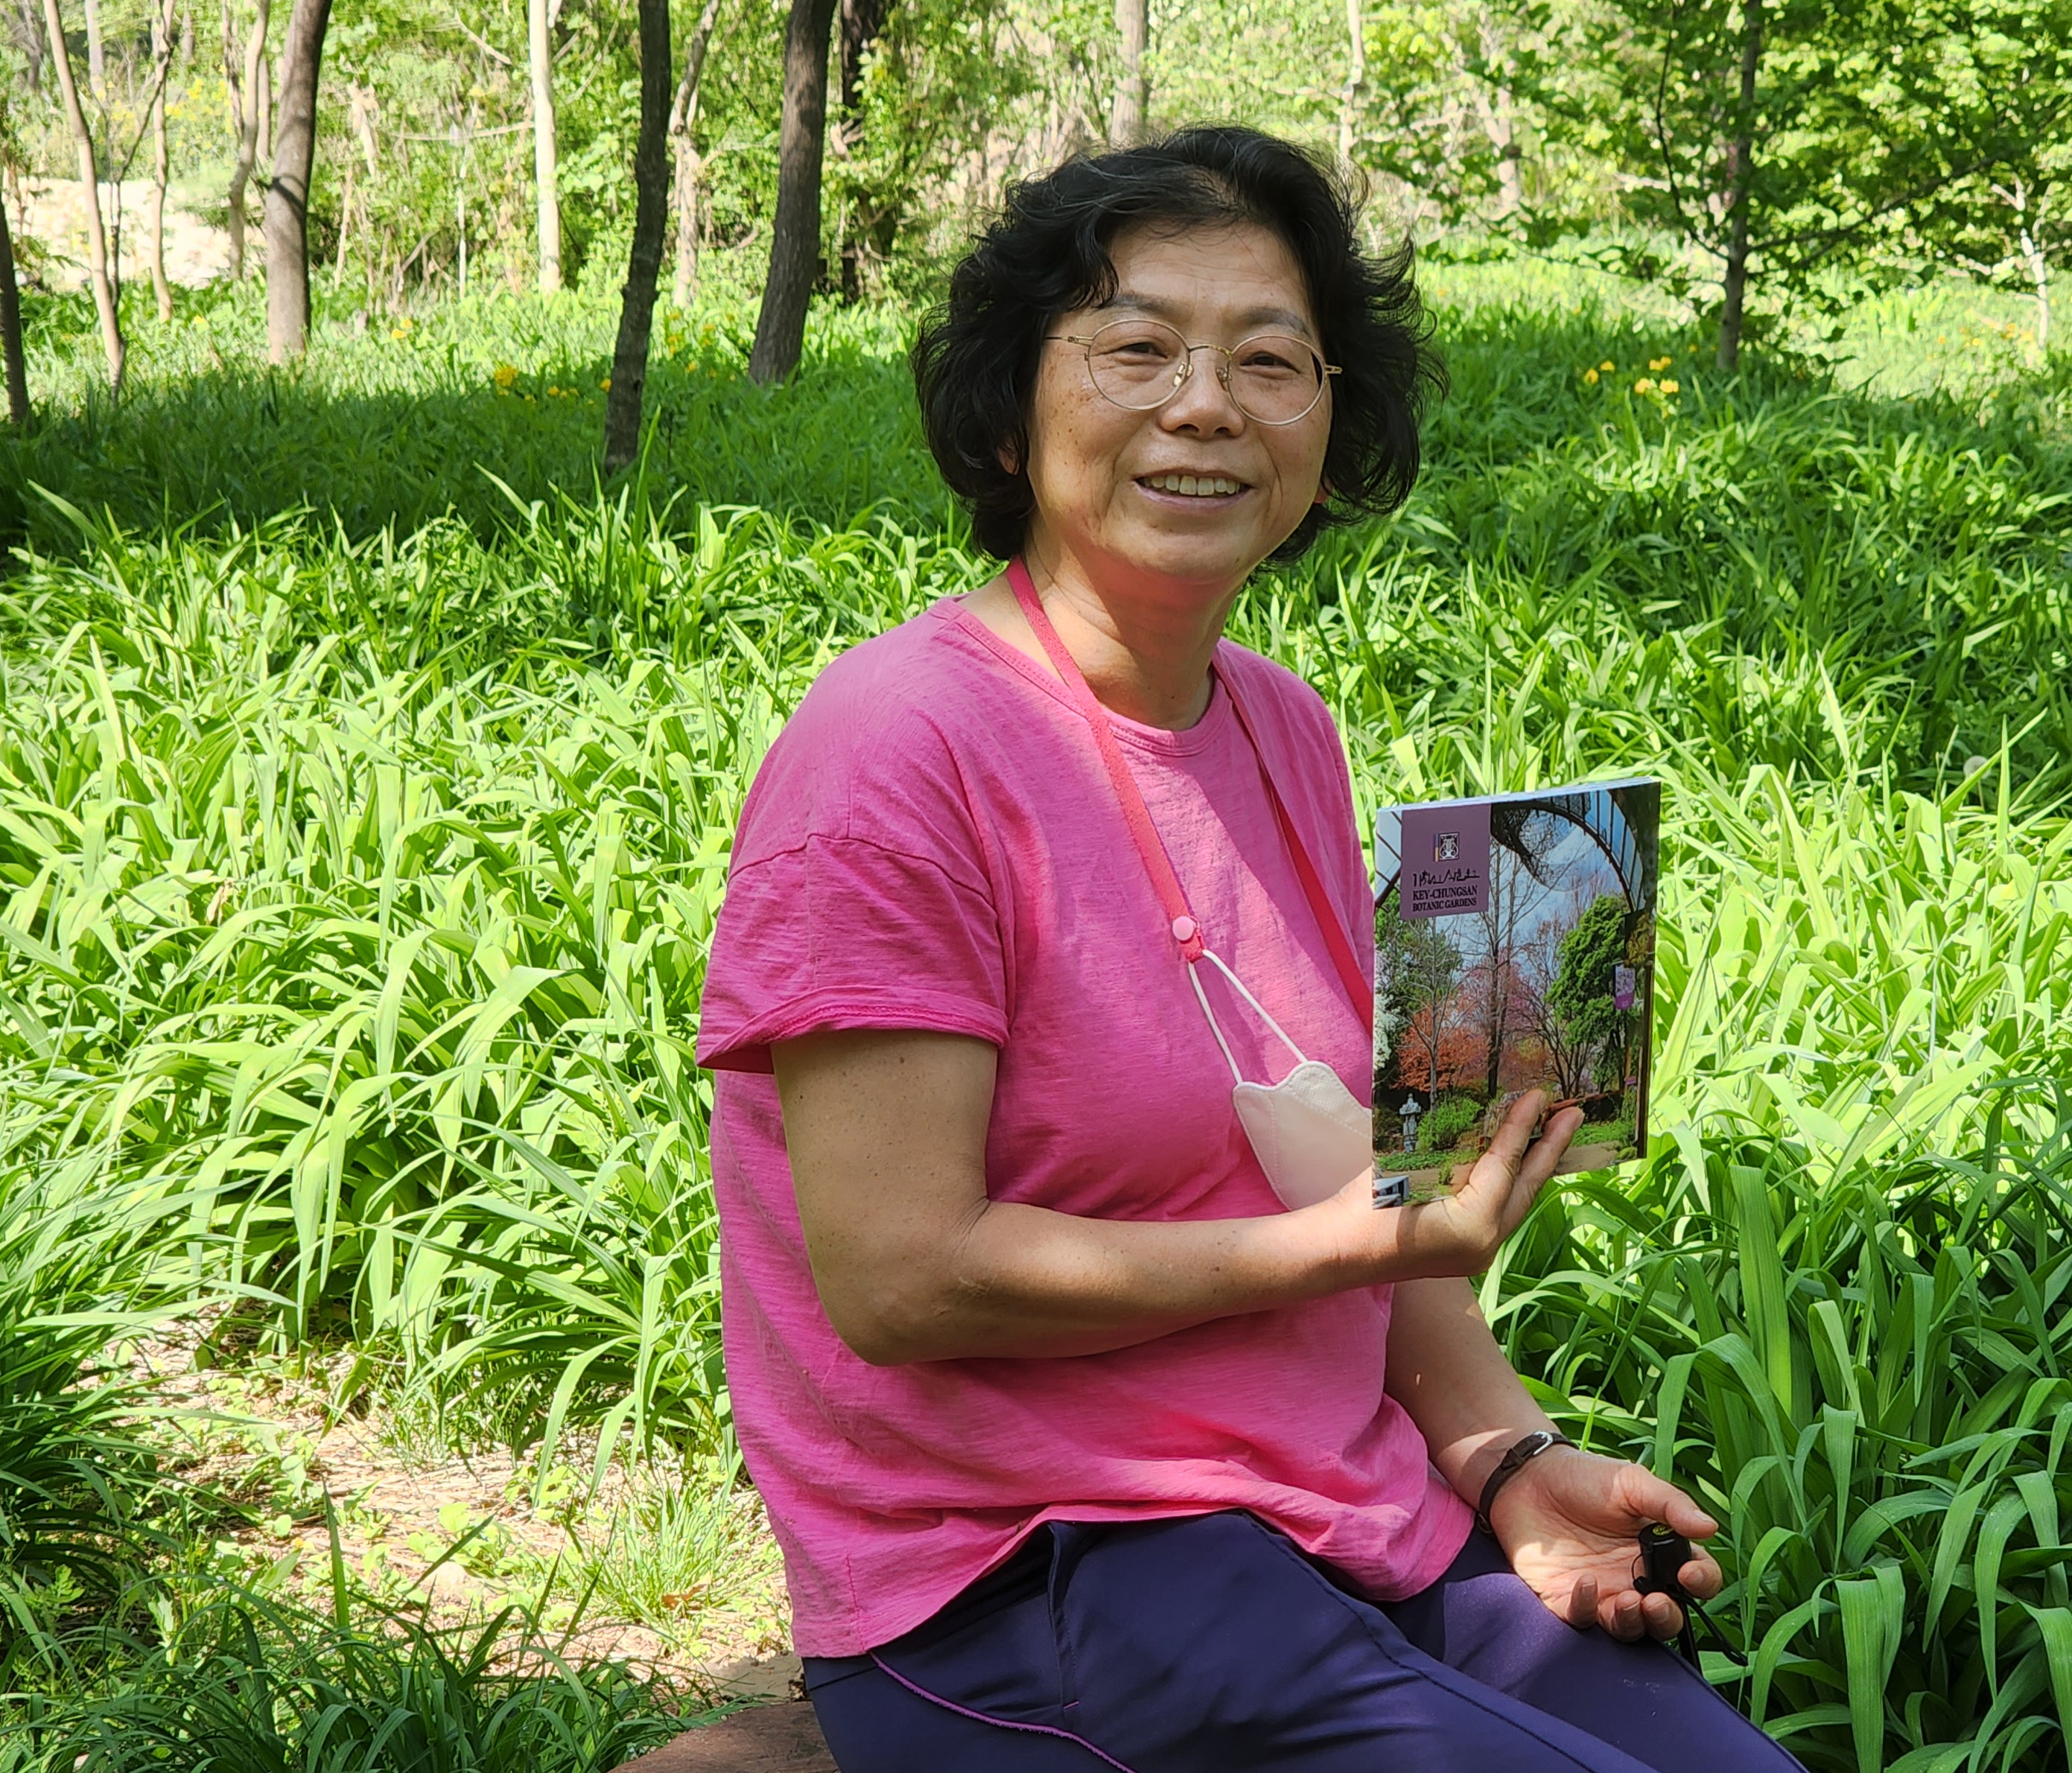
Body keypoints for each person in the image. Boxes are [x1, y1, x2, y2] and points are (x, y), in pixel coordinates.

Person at [697, 127, 1800, 1773]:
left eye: (1270, 361)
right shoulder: (895, 753)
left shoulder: (1280, 728)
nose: (1205, 405)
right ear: (1007, 413)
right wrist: (1338, 1248)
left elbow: (1372, 1191)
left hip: (1341, 1515)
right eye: (1137, 348)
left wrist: (1507, 1461)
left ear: (1330, 425)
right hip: (1031, 1572)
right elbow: (902, 1278)